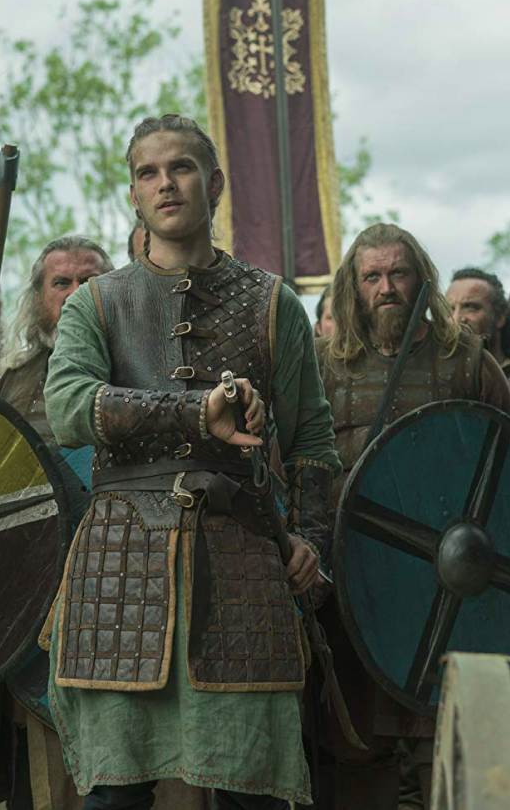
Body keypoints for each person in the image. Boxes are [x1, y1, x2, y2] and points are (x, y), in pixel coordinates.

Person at [42, 113, 340, 809]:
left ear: (215, 183)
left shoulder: (273, 304)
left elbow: (312, 440)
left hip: (242, 558)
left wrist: (312, 541)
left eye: (180, 167)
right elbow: (68, 409)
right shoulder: (97, 303)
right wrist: (192, 411)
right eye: (148, 172)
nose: (165, 183)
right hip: (119, 564)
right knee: (115, 796)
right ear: (134, 194)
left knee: (251, 791)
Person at [315, 223, 510, 810]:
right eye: (372, 276)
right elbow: (296, 467)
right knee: (356, 745)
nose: (387, 288)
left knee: (449, 739)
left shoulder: (468, 361)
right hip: (355, 584)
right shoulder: (326, 366)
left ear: (420, 278)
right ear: (353, 286)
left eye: (398, 273)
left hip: (449, 586)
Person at [0, 236, 113, 443]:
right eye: (61, 283)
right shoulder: (15, 378)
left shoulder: (137, 365)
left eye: (89, 282)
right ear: (38, 298)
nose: (76, 294)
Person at [447, 267, 510, 443]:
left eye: (470, 307)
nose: (457, 318)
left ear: (500, 317)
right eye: (450, 309)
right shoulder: (437, 381)